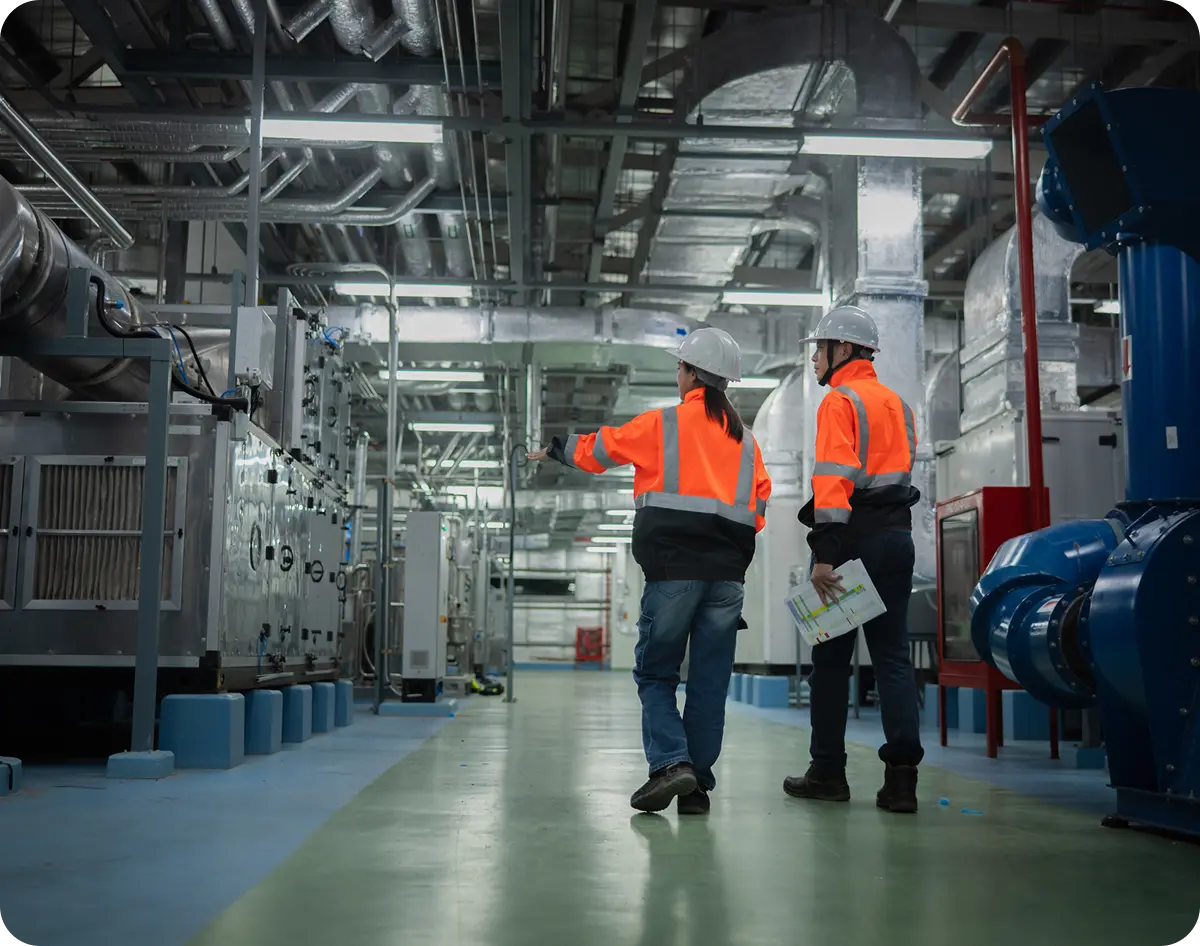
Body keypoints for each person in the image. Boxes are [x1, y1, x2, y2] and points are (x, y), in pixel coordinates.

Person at [528, 328, 772, 815]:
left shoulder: (666, 423)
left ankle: (671, 764)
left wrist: (558, 448)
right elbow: (759, 506)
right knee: (708, 684)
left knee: (656, 674)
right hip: (728, 580)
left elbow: (604, 450)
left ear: (689, 375)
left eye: (679, 367)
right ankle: (697, 787)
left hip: (673, 572)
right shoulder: (747, 443)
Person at [782, 305, 925, 814]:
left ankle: (827, 773)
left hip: (852, 543)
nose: (815, 359)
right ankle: (902, 780)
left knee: (830, 662)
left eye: (820, 349)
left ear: (843, 349)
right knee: (892, 657)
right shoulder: (896, 405)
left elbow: (833, 482)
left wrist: (825, 555)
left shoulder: (839, 402)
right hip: (897, 540)